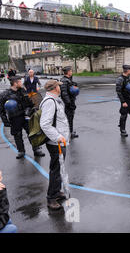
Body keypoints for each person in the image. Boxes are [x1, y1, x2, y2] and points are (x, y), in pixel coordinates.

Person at [39, 80, 70, 210]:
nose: (60, 88)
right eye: (58, 86)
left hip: (59, 141)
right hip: (55, 142)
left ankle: (56, 192)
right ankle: (51, 198)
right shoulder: (50, 102)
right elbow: (45, 123)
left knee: (58, 168)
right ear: (54, 88)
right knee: (56, 169)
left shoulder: (54, 99)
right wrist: (58, 137)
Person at [0, 76, 45, 159]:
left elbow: (29, 102)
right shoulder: (5, 94)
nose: (21, 83)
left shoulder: (23, 91)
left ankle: (36, 149)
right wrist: (5, 120)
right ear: (15, 83)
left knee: (32, 133)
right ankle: (21, 151)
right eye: (20, 82)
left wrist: (32, 109)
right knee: (17, 135)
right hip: (14, 118)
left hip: (25, 116)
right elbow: (1, 109)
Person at [60, 66, 79, 139]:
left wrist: (74, 84)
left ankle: (70, 132)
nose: (71, 72)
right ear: (67, 72)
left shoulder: (68, 79)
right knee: (68, 118)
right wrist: (69, 103)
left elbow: (71, 86)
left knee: (70, 118)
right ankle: (69, 134)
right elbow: (64, 93)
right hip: (68, 103)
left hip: (71, 101)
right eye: (71, 71)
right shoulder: (64, 81)